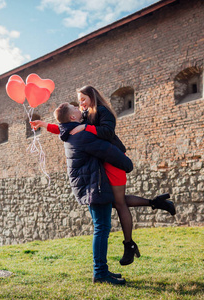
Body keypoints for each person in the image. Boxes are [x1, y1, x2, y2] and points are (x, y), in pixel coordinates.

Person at [31, 86, 176, 266]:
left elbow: (107, 132)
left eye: (83, 99)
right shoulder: (85, 113)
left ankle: (129, 244)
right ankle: (155, 203)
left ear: (92, 97)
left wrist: (85, 126)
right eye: (79, 100)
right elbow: (68, 128)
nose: (81, 103)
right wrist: (45, 125)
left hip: (114, 159)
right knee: (117, 200)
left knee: (119, 202)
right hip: (103, 161)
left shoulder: (103, 110)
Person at [53, 102, 133, 285]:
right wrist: (128, 164)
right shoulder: (80, 135)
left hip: (89, 185)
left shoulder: (71, 132)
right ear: (72, 117)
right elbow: (106, 150)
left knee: (102, 228)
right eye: (75, 109)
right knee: (102, 229)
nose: (79, 109)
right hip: (93, 186)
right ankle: (100, 273)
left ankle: (102, 270)